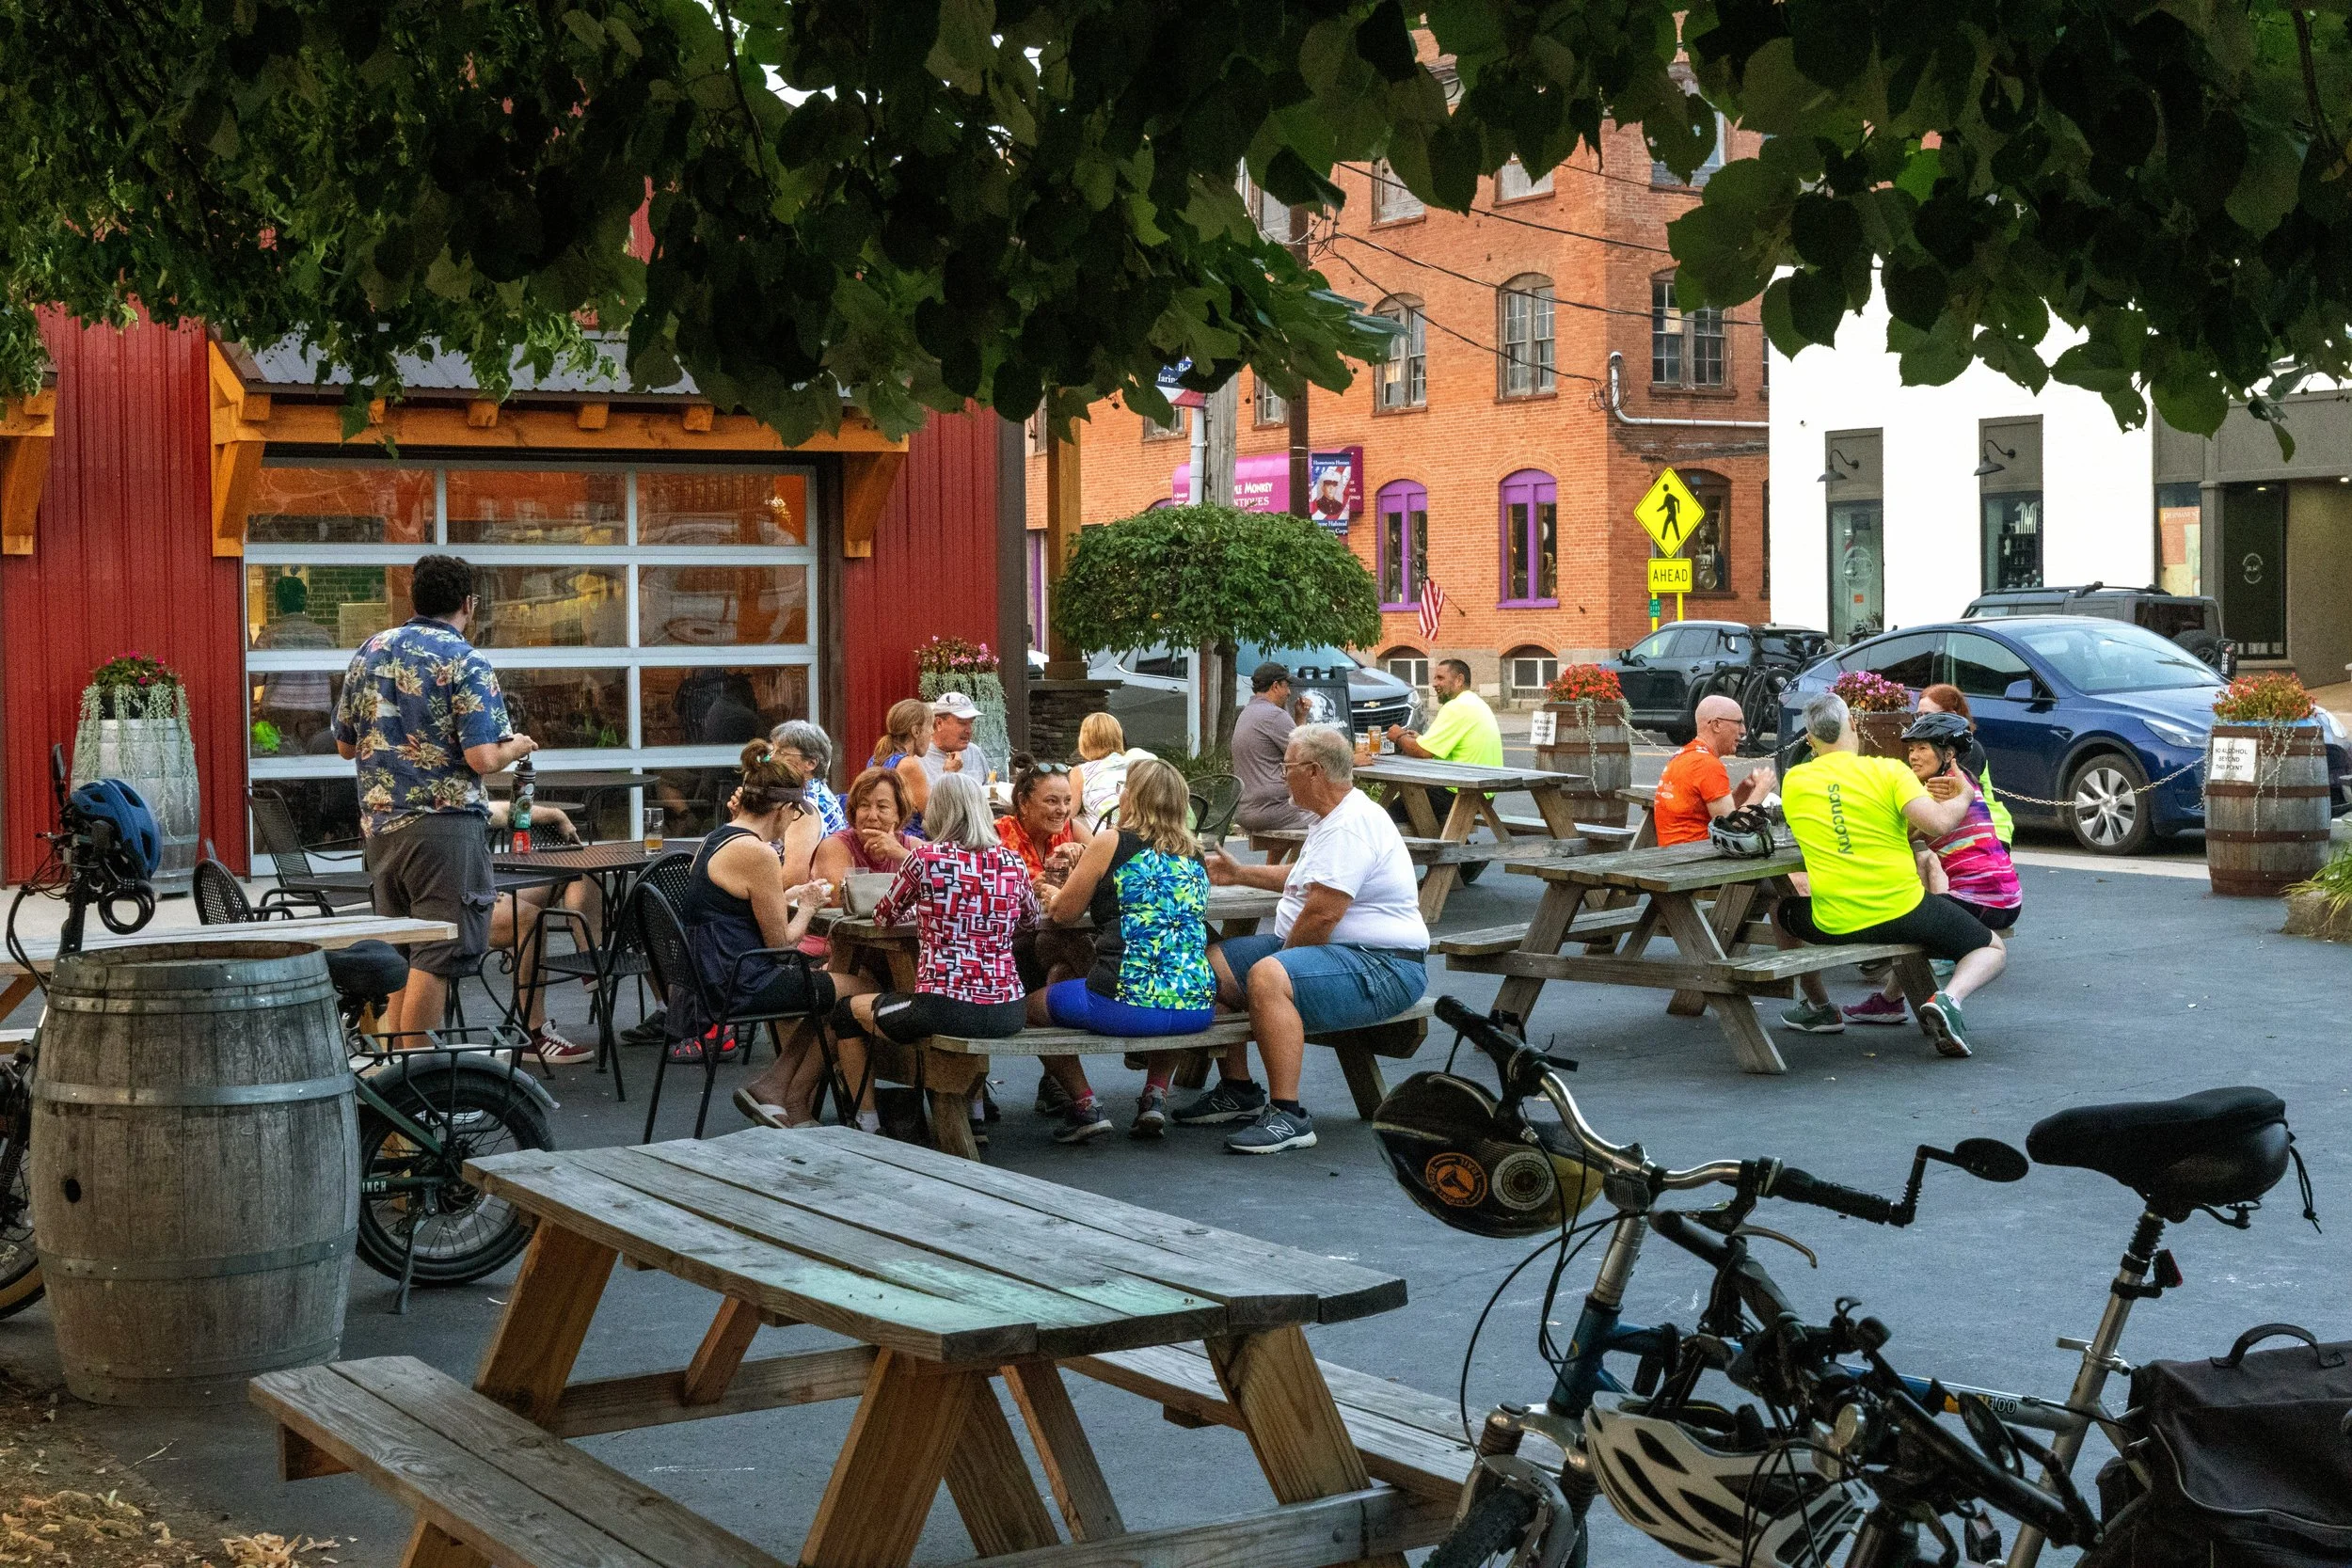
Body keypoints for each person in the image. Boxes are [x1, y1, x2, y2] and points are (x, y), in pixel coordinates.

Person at [1184, 723, 1428, 1153]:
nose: (1282, 776)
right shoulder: (1332, 818)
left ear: (1314, 772)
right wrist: (1239, 873)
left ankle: (1289, 1116)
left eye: (1287, 767)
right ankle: (1239, 1089)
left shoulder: (1351, 825)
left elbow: (1322, 913)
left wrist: (1279, 966)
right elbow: (1303, 880)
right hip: (1348, 955)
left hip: (1384, 965)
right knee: (1210, 967)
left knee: (1268, 976)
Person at [335, 553, 538, 1041]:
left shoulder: (369, 651)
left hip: (382, 828)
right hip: (443, 828)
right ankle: (419, 1067)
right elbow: (483, 759)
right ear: (469, 603)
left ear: (415, 599)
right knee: (438, 951)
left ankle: (401, 1074)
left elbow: (345, 745)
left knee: (405, 948)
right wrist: (519, 746)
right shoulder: (465, 659)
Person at [1772, 692, 2002, 1056]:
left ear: (1811, 740)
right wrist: (1964, 794)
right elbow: (1940, 824)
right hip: (1903, 911)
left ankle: (1820, 1007)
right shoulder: (1889, 771)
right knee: (1991, 948)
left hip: (1832, 920)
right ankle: (1949, 1000)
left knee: (1782, 911)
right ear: (1852, 724)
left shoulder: (1795, 781)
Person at [674, 744, 875, 1127]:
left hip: (710, 973)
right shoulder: (759, 853)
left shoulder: (717, 837)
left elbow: (728, 907)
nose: (794, 822)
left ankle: (783, 1091)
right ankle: (784, 1090)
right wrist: (812, 905)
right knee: (860, 990)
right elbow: (780, 945)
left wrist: (783, 896)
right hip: (741, 981)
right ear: (783, 809)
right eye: (796, 814)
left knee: (836, 994)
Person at [830, 773, 1043, 1132]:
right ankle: (975, 1114)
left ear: (939, 813)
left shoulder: (926, 858)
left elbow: (884, 916)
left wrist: (926, 912)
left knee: (846, 1014)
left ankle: (867, 1121)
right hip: (1008, 1010)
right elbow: (1031, 920)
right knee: (968, 1021)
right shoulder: (1012, 862)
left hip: (945, 1006)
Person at [1035, 758, 1217, 1138]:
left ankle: (1085, 1105)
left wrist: (1053, 892)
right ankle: (1154, 1095)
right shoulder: (1196, 853)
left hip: (1123, 1004)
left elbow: (1065, 913)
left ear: (1133, 797)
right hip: (1196, 1006)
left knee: (1029, 1008)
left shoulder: (1111, 842)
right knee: (1166, 993)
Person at [1844, 712, 2023, 1027]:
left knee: (1905, 916)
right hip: (2000, 897)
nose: (1913, 755)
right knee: (1917, 901)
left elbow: (1898, 834)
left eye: (1923, 748)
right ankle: (1890, 1000)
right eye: (1911, 748)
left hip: (1985, 900)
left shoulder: (1943, 788)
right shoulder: (1959, 780)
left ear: (1948, 753)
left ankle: (1938, 997)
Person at [1652, 694, 1777, 847]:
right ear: (1716, 725)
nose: (1743, 730)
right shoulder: (1708, 765)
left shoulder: (1685, 754)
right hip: (1695, 858)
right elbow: (1733, 830)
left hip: (1674, 854)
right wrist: (1761, 791)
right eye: (1738, 723)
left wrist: (1742, 791)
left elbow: (1722, 815)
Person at [1916, 684, 2015, 846]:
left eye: (1928, 715)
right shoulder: (1922, 749)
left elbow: (1952, 794)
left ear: (1951, 715)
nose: (1921, 721)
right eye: (1918, 716)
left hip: (1989, 829)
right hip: (1952, 828)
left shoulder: (1970, 748)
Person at [253, 575, 338, 753]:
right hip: (318, 713)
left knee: (282, 760)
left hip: (280, 713)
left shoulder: (270, 636)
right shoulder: (323, 635)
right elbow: (336, 680)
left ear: (278, 603)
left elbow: (254, 679)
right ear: (304, 601)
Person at [1232, 662, 1313, 833]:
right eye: (1287, 686)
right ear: (1275, 686)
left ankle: (1273, 862)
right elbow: (1307, 755)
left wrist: (1300, 717)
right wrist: (1352, 760)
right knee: (1335, 812)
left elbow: (1295, 745)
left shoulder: (1247, 712)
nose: (1289, 693)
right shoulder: (1274, 715)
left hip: (1245, 809)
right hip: (1271, 810)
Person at [996, 757, 1092, 889]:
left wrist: (1081, 856)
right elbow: (985, 893)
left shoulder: (1071, 829)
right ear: (1023, 802)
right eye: (1052, 801)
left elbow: (1107, 873)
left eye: (1067, 800)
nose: (1063, 810)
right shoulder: (997, 835)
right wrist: (1028, 891)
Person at [1070, 712, 1153, 831]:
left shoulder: (1080, 772)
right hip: (1143, 832)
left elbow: (1069, 813)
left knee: (1075, 822)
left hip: (1106, 838)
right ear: (1118, 736)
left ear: (1085, 741)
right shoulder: (1138, 764)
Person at [771, 720, 849, 837]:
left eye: (781, 753)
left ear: (811, 763)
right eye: (773, 751)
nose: (772, 758)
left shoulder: (804, 807)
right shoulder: (818, 794)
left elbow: (794, 856)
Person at [870, 698, 935, 826]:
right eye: (930, 727)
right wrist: (949, 775)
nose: (932, 733)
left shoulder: (876, 758)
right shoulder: (908, 765)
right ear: (916, 731)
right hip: (907, 841)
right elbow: (933, 816)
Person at [924, 691, 994, 784]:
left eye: (971, 723)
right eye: (962, 723)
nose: (969, 730)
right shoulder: (920, 758)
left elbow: (989, 789)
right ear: (939, 723)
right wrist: (949, 775)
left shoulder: (974, 752)